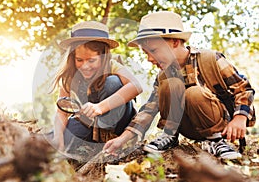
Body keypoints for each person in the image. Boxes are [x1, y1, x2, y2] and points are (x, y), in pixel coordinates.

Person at [104, 11, 255, 159]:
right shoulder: (163, 76)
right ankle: (170, 135)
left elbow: (244, 89)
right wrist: (122, 139)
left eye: (154, 51)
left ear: (175, 42)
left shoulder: (211, 59)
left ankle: (216, 141)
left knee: (193, 93)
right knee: (170, 84)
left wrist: (240, 118)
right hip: (187, 126)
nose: (149, 58)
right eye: (146, 53)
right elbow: (148, 110)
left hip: (218, 123)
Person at [51, 21, 142, 152]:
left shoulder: (112, 65)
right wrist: (58, 137)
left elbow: (136, 86)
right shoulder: (70, 75)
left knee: (112, 83)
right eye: (79, 60)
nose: (85, 66)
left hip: (119, 121)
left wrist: (100, 107)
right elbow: (62, 111)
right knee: (63, 134)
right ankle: (94, 143)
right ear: (73, 57)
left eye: (91, 60)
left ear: (103, 57)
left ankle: (112, 139)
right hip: (91, 124)